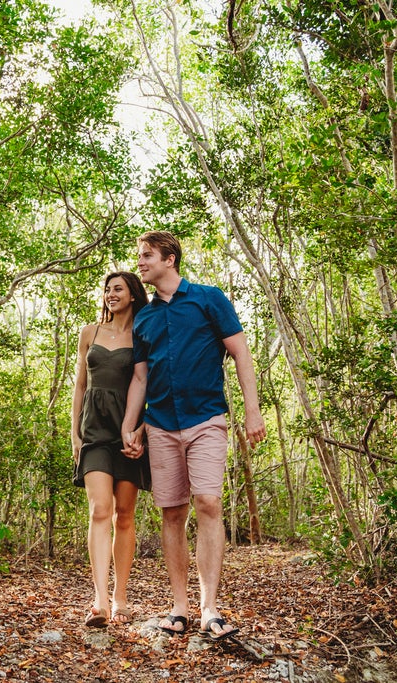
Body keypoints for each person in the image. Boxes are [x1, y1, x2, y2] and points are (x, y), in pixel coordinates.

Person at [120, 230, 266, 640]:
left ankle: (210, 609)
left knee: (208, 502)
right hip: (162, 425)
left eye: (147, 255)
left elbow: (240, 352)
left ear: (170, 259)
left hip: (206, 419)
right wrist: (131, 426)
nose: (141, 262)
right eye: (139, 256)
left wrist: (251, 412)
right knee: (171, 513)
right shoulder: (144, 317)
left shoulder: (208, 298)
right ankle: (180, 608)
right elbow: (140, 378)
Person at [71, 271, 153, 628]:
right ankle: (100, 600)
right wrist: (74, 434)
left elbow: (151, 386)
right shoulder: (89, 333)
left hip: (129, 433)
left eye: (117, 289)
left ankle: (121, 596)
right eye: (106, 289)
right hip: (93, 432)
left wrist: (141, 433)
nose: (110, 294)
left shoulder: (144, 336)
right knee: (99, 510)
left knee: (124, 515)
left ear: (133, 294)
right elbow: (79, 385)